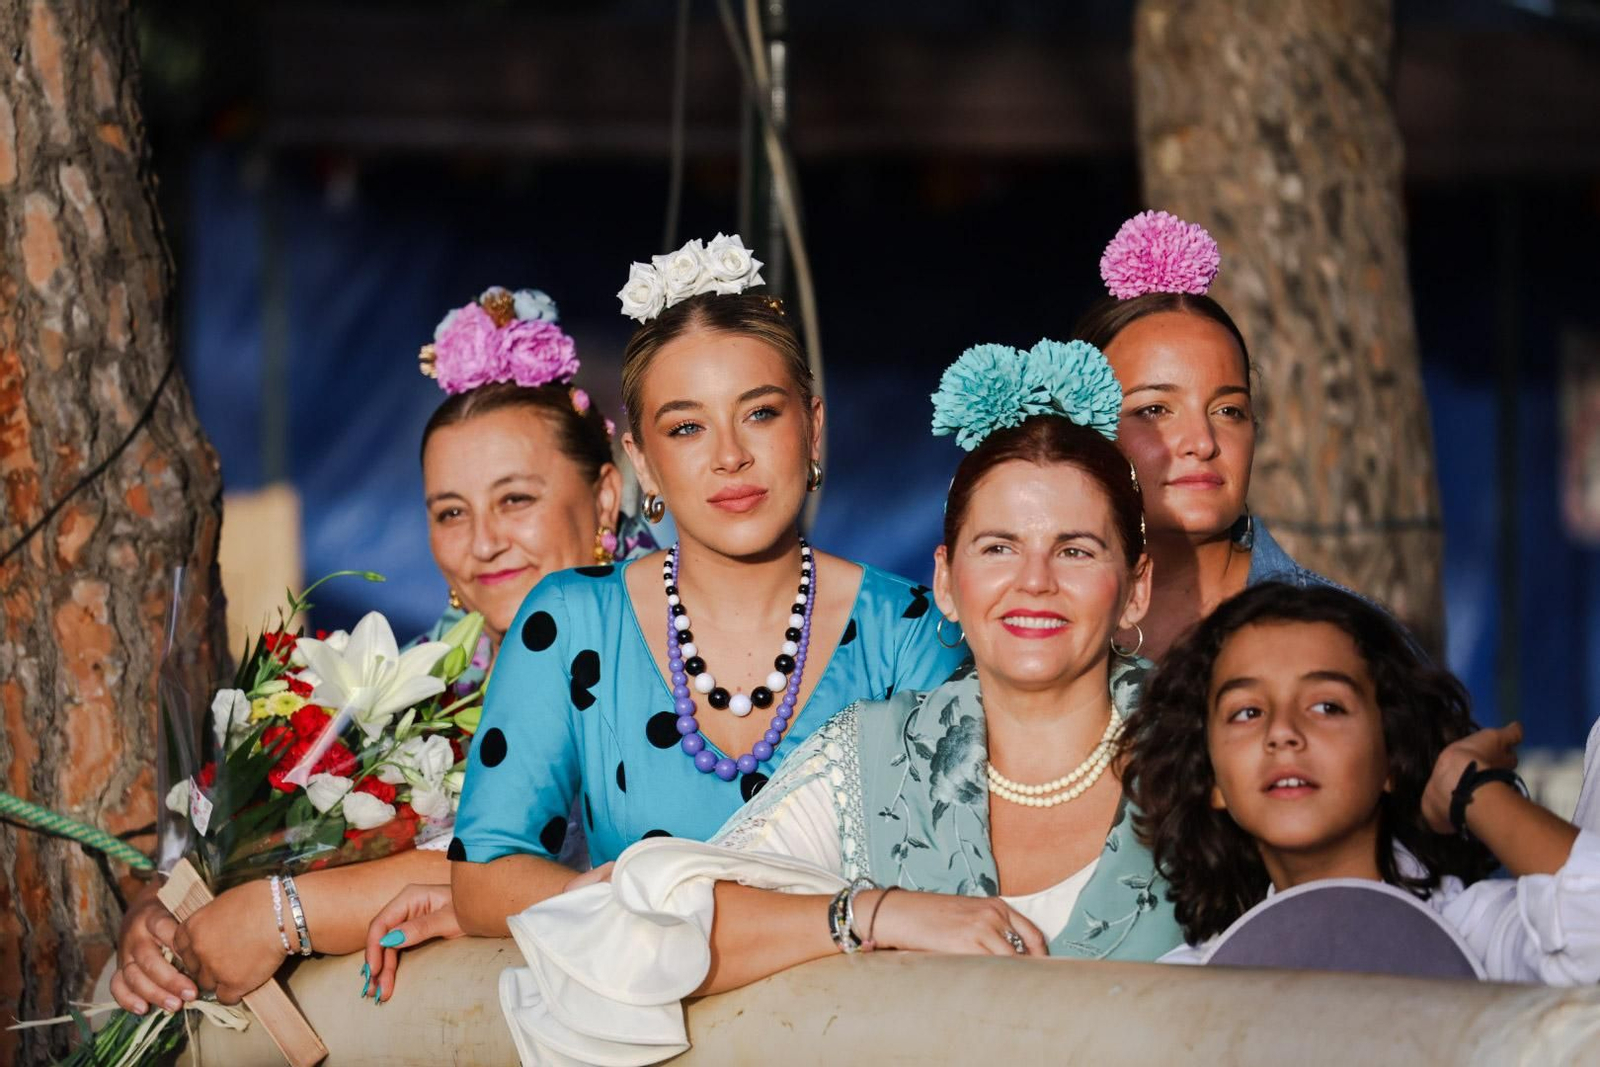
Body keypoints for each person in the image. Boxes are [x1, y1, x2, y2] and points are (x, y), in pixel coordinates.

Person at [466, 337, 1181, 1066]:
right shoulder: (872, 754)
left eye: (1076, 549)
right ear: (946, 581)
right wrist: (872, 912)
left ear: (1138, 586)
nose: (1034, 580)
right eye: (998, 547)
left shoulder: (1205, 755)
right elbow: (655, 917)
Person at [110, 286, 653, 1012]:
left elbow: (499, 864)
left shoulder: (652, 658)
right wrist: (160, 910)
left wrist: (284, 912)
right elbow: (248, 827)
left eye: (515, 499)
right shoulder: (419, 675)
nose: (483, 542)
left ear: (607, 497)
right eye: (451, 512)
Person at [443, 235, 970, 949]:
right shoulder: (571, 622)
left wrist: (665, 908)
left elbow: (947, 892)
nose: (730, 455)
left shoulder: (914, 629)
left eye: (759, 412)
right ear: (642, 465)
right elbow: (484, 875)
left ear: (813, 429)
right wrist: (622, 910)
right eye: (687, 427)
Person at [1120, 581, 1600, 982]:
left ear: (1392, 756)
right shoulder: (1194, 980)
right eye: (1247, 712)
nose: (1282, 733)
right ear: (1211, 780)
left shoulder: (1477, 932)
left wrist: (1470, 789)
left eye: (1327, 706)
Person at [1074, 211, 1359, 663]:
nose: (1203, 443)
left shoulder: (1349, 641)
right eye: (1154, 410)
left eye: (1228, 411)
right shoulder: (1026, 624)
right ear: (1082, 434)